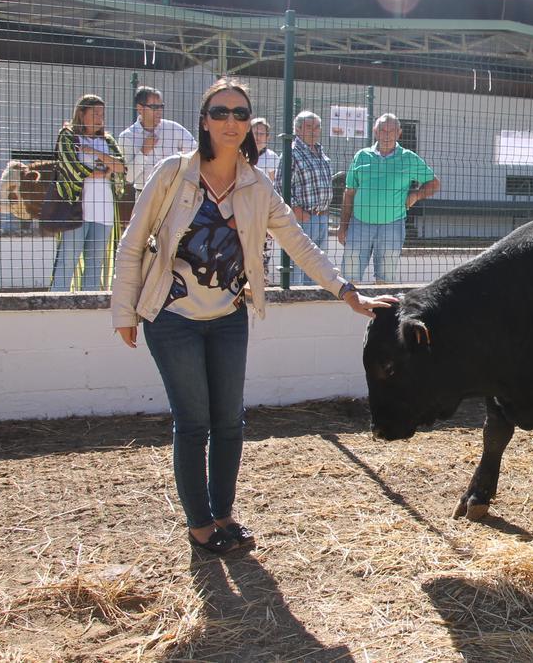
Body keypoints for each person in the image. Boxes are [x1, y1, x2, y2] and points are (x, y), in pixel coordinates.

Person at [111, 78, 394, 555]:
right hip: (172, 317)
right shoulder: (172, 174)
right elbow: (133, 241)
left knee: (229, 421)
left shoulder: (256, 185)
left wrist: (346, 291)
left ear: (249, 125)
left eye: (240, 114)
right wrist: (124, 310)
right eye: (220, 112)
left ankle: (223, 514)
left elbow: (299, 244)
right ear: (204, 120)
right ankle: (199, 525)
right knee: (193, 421)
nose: (231, 122)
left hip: (228, 317)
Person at [338, 113, 440, 283]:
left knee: (385, 279)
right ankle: (348, 309)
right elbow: (349, 193)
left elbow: (434, 183)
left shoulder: (409, 158)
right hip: (359, 224)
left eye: (391, 131)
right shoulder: (361, 156)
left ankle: (381, 310)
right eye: (382, 130)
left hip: (392, 226)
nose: (387, 135)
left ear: (399, 133)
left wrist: (416, 195)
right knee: (349, 277)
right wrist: (343, 227)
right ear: (375, 132)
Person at [50, 94, 126, 292]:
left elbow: (120, 167)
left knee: (95, 265)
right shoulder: (69, 136)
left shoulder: (107, 141)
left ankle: (89, 303)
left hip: (104, 213)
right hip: (76, 211)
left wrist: (96, 154)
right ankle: (56, 301)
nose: (100, 118)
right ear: (81, 114)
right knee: (68, 260)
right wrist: (99, 172)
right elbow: (69, 166)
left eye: (102, 114)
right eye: (95, 113)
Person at [117, 86, 197, 196]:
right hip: (144, 195)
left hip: (173, 195)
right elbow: (129, 177)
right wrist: (143, 152)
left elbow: (195, 153)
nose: (159, 111)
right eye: (154, 107)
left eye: (161, 106)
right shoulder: (127, 137)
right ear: (140, 108)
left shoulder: (173, 128)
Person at [286, 111, 332, 286]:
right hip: (303, 218)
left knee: (317, 266)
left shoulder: (322, 154)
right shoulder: (291, 153)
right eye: (309, 127)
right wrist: (298, 211)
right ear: (298, 130)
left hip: (321, 218)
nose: (314, 130)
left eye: (317, 127)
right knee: (298, 264)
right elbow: (280, 188)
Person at [250, 117, 281, 282]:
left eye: (262, 134)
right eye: (255, 133)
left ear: (267, 137)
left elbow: (274, 186)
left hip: (264, 212)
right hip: (245, 210)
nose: (258, 137)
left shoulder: (272, 158)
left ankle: (261, 281)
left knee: (264, 250)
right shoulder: (241, 154)